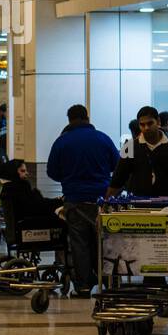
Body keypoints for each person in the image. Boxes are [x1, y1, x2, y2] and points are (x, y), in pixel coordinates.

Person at [46, 104, 119, 297]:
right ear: (87, 117)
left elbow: (51, 171)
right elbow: (117, 166)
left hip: (75, 200)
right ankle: (109, 282)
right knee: (104, 241)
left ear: (69, 120)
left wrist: (69, 178)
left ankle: (84, 286)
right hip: (102, 201)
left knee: (79, 244)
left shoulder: (62, 142)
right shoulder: (103, 139)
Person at [109, 106, 168, 197]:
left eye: (150, 123)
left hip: (167, 204)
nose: (146, 128)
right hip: (137, 204)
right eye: (142, 125)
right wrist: (107, 202)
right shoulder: (129, 146)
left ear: (158, 122)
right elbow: (118, 178)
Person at [0, 159, 62, 228]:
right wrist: (58, 201)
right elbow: (36, 206)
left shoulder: (7, 188)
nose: (27, 173)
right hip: (29, 223)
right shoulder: (19, 187)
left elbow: (34, 203)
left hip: (22, 223)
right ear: (13, 172)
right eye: (22, 171)